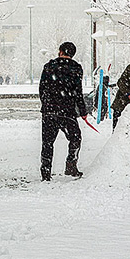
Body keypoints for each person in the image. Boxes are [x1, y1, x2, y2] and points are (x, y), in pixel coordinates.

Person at [38, 42, 88, 180]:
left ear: (60, 51)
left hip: (50, 111)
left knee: (47, 142)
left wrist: (47, 104)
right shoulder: (76, 68)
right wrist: (82, 111)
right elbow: (78, 92)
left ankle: (46, 172)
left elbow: (42, 89)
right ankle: (71, 165)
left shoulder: (49, 66)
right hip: (68, 112)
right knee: (75, 138)